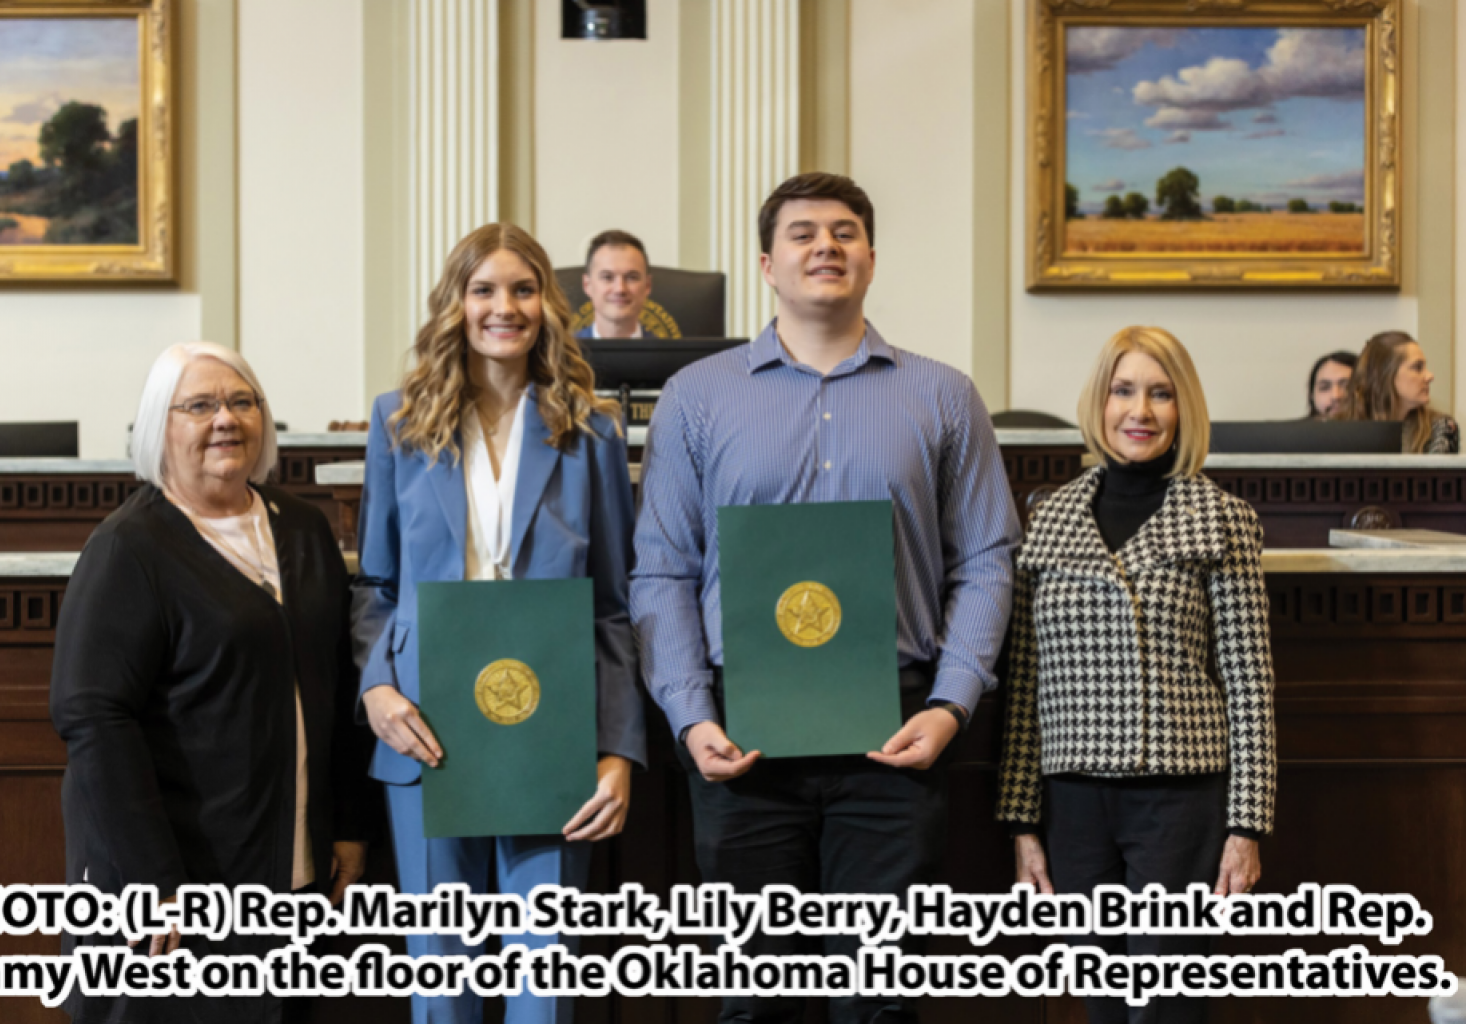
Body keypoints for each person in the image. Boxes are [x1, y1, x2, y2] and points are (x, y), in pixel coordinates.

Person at [631, 172, 1021, 1024]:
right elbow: (662, 568)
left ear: (872, 259)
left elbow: (989, 560)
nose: (825, 247)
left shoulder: (944, 396)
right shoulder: (698, 398)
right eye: (803, 234)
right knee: (754, 1001)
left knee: (878, 1002)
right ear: (768, 263)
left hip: (897, 729)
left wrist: (954, 704)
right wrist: (693, 717)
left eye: (844, 232)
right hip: (740, 736)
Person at [351, 222, 646, 1024]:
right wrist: (377, 689)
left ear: (548, 305)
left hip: (551, 727)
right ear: (456, 304)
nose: (503, 307)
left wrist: (617, 750)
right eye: (484, 289)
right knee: (441, 983)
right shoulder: (398, 424)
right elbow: (375, 584)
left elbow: (615, 607)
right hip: (425, 725)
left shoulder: (591, 432)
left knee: (542, 985)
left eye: (522, 289)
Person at [50, 341, 378, 1024]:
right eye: (199, 405)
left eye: (241, 401)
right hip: (176, 878)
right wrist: (153, 883)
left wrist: (347, 825)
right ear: (157, 426)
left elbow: (339, 686)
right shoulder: (128, 549)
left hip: (291, 868)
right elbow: (94, 718)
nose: (225, 419)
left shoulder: (305, 528)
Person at [996, 326, 1277, 1024]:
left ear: (1184, 409)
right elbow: (1027, 686)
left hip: (1180, 797)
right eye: (1125, 390)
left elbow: (1250, 684)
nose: (1140, 411)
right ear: (1100, 401)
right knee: (1104, 1004)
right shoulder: (1049, 517)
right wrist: (1022, 823)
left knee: (1168, 1006)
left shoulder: (1221, 518)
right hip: (1073, 800)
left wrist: (1248, 827)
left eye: (1161, 393)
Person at [1337, 331, 1460, 453]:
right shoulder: (1337, 428)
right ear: (1384, 375)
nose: (1430, 376)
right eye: (1417, 367)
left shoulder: (1440, 427)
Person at [575, 229, 662, 339]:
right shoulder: (561, 354)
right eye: (607, 277)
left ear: (647, 285)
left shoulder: (671, 355)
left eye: (632, 277)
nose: (620, 289)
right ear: (587, 285)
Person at [1306, 350, 1356, 419]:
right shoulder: (1293, 429)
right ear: (1311, 396)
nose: (1335, 396)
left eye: (1347, 386)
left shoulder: (1375, 428)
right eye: (1324, 387)